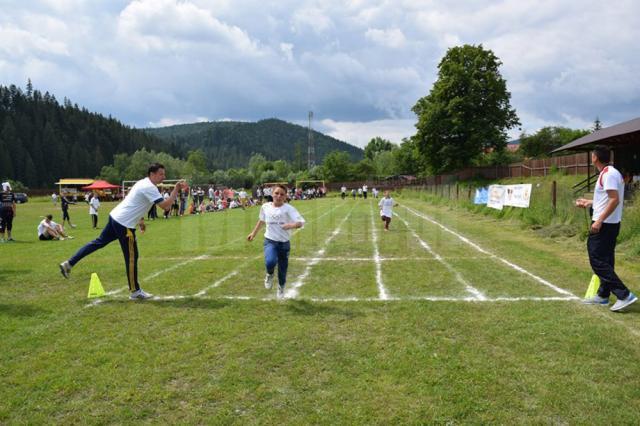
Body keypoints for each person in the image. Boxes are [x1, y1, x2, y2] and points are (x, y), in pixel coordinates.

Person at [59, 163, 188, 300]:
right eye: (161, 174)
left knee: (98, 242)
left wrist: (141, 221)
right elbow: (166, 207)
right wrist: (176, 189)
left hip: (115, 217)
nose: (164, 176)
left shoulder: (142, 183)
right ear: (152, 174)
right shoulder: (150, 187)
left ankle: (69, 263)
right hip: (125, 224)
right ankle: (135, 291)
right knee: (132, 258)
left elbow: (136, 203)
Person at [577, 145, 637, 312]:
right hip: (609, 224)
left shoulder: (609, 174)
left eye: (592, 155)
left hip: (605, 225)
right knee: (606, 260)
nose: (591, 157)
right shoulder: (608, 173)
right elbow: (606, 199)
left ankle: (624, 295)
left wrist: (599, 221)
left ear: (595, 157)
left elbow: (614, 200)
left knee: (596, 259)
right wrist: (588, 203)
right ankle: (603, 295)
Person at [247, 184, 305, 299]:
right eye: (276, 193)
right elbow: (261, 221)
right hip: (270, 241)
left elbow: (301, 222)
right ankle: (269, 274)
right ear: (272, 194)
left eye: (282, 194)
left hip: (284, 244)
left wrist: (291, 225)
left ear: (285, 197)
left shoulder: (289, 209)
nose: (279, 196)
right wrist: (253, 233)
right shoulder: (265, 207)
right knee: (270, 262)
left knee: (282, 270)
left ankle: (281, 287)